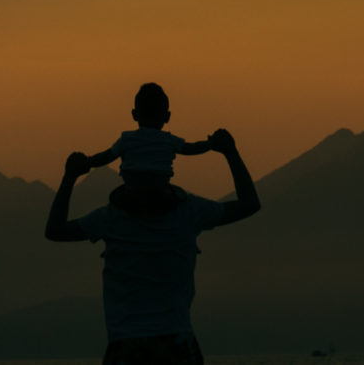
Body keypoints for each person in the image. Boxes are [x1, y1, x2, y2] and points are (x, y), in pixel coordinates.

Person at [46, 113, 261, 365]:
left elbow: (55, 230)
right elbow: (249, 204)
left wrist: (70, 176)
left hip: (125, 346)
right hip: (176, 344)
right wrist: (229, 152)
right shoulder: (190, 212)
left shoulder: (110, 219)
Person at [84, 82, 214, 182]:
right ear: (167, 116)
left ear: (134, 115)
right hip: (161, 192)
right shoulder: (168, 140)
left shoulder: (127, 139)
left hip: (132, 192)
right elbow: (191, 148)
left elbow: (106, 157)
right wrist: (210, 144)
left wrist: (86, 161)